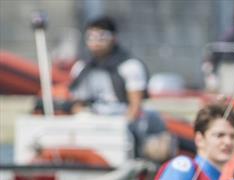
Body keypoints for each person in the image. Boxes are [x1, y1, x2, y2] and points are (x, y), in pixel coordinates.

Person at [68, 15, 167, 158]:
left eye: (102, 36)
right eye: (91, 37)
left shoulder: (130, 66)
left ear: (114, 38)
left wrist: (118, 129)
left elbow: (135, 107)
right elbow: (76, 104)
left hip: (121, 122)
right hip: (92, 122)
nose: (96, 42)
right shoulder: (81, 68)